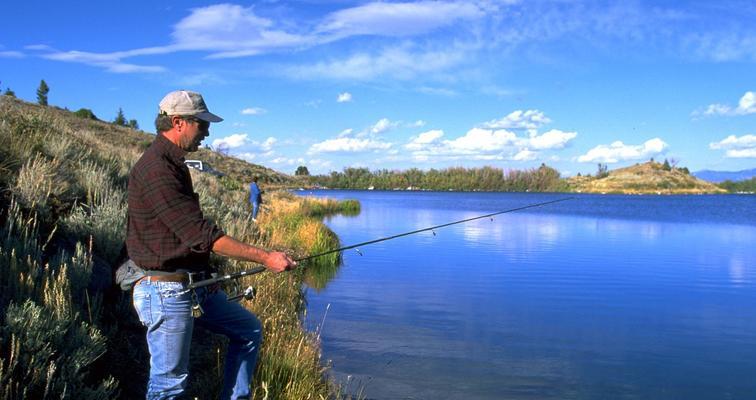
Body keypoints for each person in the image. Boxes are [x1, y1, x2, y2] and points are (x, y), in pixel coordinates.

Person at [126, 90, 296, 400]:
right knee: (168, 385)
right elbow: (201, 235)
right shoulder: (156, 169)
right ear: (178, 122)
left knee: (248, 331)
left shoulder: (174, 164)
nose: (207, 131)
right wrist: (266, 257)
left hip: (191, 285)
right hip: (165, 291)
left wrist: (204, 274)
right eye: (201, 123)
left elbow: (181, 235)